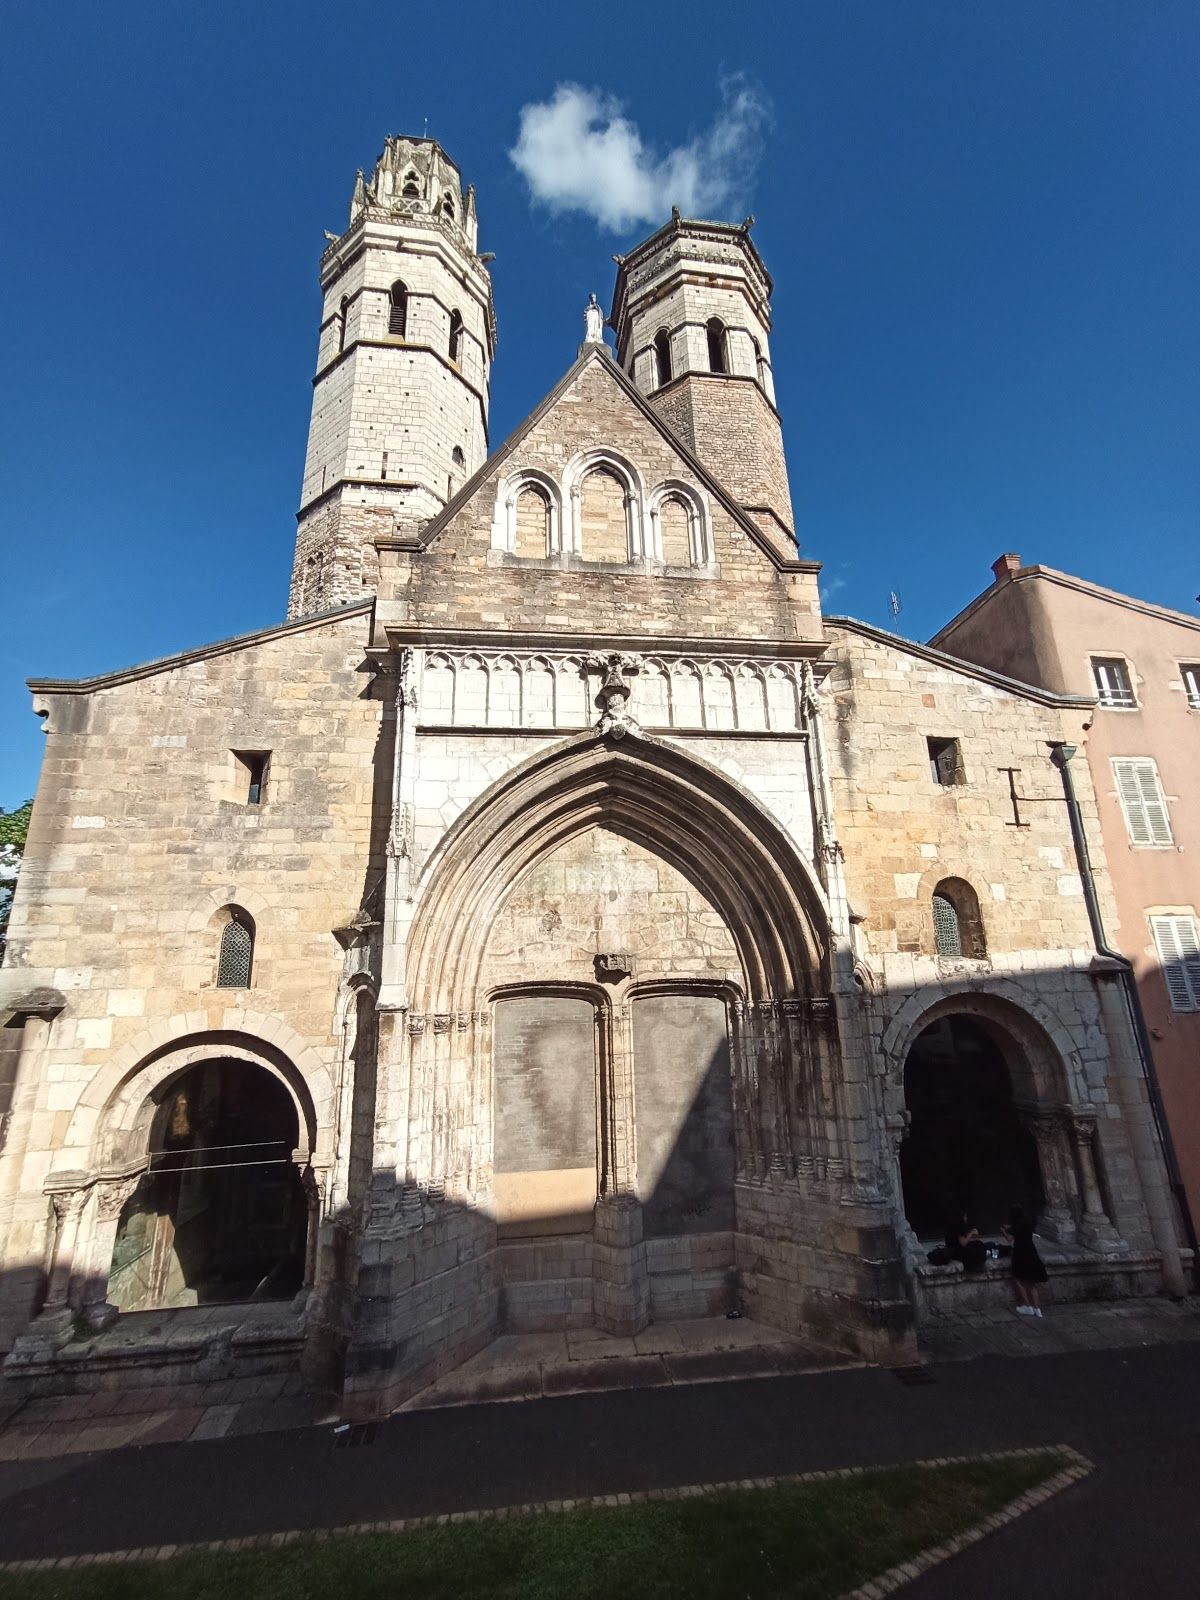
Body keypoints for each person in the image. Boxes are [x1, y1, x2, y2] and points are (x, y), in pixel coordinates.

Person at [1003, 1203, 1048, 1317]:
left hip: (1020, 1253)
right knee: (1032, 1283)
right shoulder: (1028, 1223)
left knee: (1018, 1279)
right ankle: (1037, 1309)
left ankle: (1027, 1305)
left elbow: (1009, 1239)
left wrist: (1003, 1231)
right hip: (1031, 1252)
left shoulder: (1016, 1226)